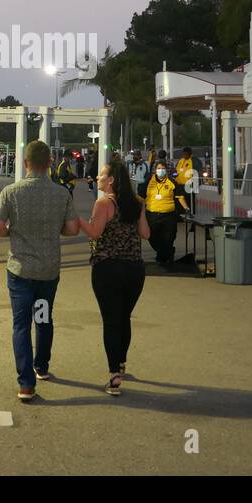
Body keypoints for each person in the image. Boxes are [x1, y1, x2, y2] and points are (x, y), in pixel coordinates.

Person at [0, 140, 79, 402]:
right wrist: (54, 231)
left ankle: (26, 384)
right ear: (50, 163)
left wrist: (13, 232)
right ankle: (42, 366)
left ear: (26, 163)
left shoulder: (11, 192)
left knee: (20, 325)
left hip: (20, 269)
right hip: (48, 270)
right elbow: (72, 229)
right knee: (43, 317)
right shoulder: (61, 193)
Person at [77, 162, 150, 395]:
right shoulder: (136, 203)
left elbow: (95, 232)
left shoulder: (104, 203)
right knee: (123, 318)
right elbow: (145, 234)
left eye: (101, 174)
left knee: (111, 320)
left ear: (110, 180)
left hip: (108, 268)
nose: (97, 176)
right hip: (135, 269)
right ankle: (121, 364)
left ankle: (114, 377)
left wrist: (78, 221)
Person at [175, 145, 200, 216]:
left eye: (186, 154)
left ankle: (192, 215)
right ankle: (181, 216)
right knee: (181, 202)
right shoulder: (181, 160)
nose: (184, 155)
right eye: (183, 154)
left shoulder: (194, 161)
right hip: (180, 185)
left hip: (189, 186)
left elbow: (197, 172)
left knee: (190, 202)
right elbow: (177, 170)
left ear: (190, 153)